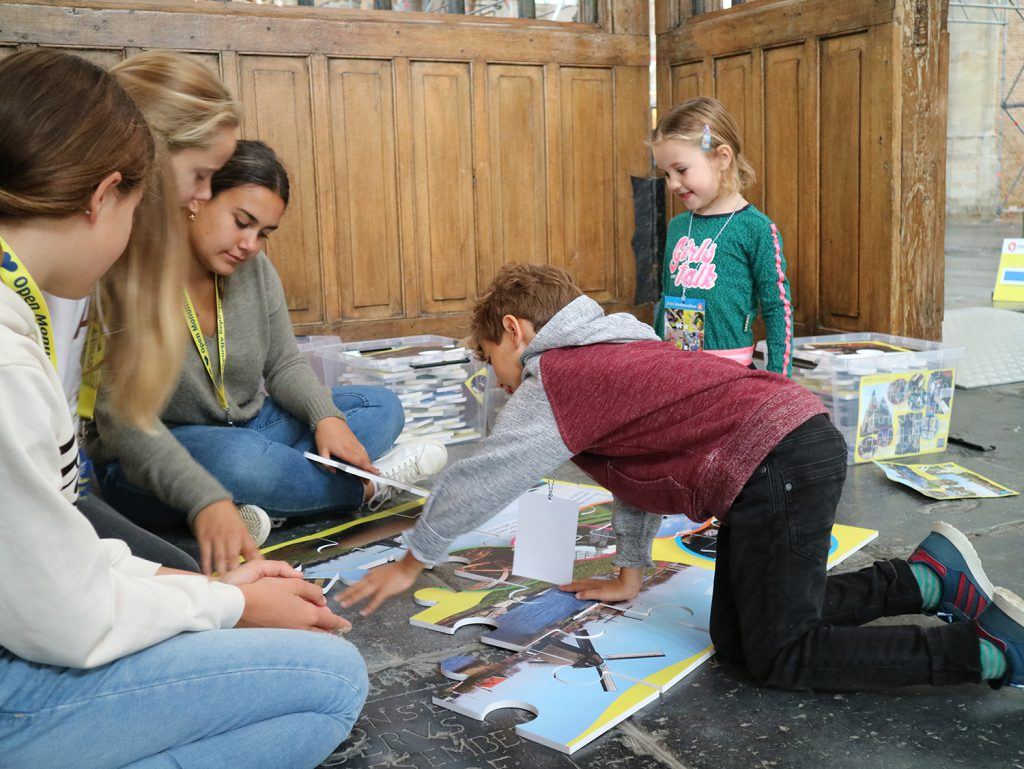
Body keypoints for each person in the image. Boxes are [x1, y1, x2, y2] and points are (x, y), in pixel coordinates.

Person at [340, 262, 1024, 693]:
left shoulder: (556, 375)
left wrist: (414, 560)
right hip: (787, 450)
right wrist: (631, 571)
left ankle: (986, 650)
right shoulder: (613, 347)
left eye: (491, 358)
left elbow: (488, 473)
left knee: (783, 655)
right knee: (740, 640)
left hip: (777, 463)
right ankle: (925, 578)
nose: (495, 379)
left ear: (516, 331)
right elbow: (639, 473)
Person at [0, 49, 366, 769]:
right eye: (198, 181)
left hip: (43, 596)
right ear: (108, 193)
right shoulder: (19, 349)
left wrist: (211, 591)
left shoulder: (29, 306)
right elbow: (66, 613)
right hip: (24, 661)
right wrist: (224, 602)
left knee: (359, 412)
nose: (197, 202)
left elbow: (47, 542)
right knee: (331, 679)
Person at [87, 140, 448, 576]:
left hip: (252, 429)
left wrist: (325, 418)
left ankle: (267, 505)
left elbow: (283, 365)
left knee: (380, 407)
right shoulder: (132, 272)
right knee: (239, 461)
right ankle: (368, 489)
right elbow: (124, 426)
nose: (250, 245)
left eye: (264, 234)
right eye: (242, 222)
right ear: (198, 198)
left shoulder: (255, 272)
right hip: (155, 455)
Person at [47, 50, 242, 572]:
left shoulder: (91, 268)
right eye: (200, 176)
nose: (199, 200)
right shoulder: (64, 276)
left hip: (67, 507)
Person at [651, 96, 793, 375]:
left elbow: (778, 309)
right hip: (674, 371)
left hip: (730, 374)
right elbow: (668, 296)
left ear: (722, 158)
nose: (673, 184)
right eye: (666, 174)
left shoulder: (756, 228)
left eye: (680, 170)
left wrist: (779, 377)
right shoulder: (678, 226)